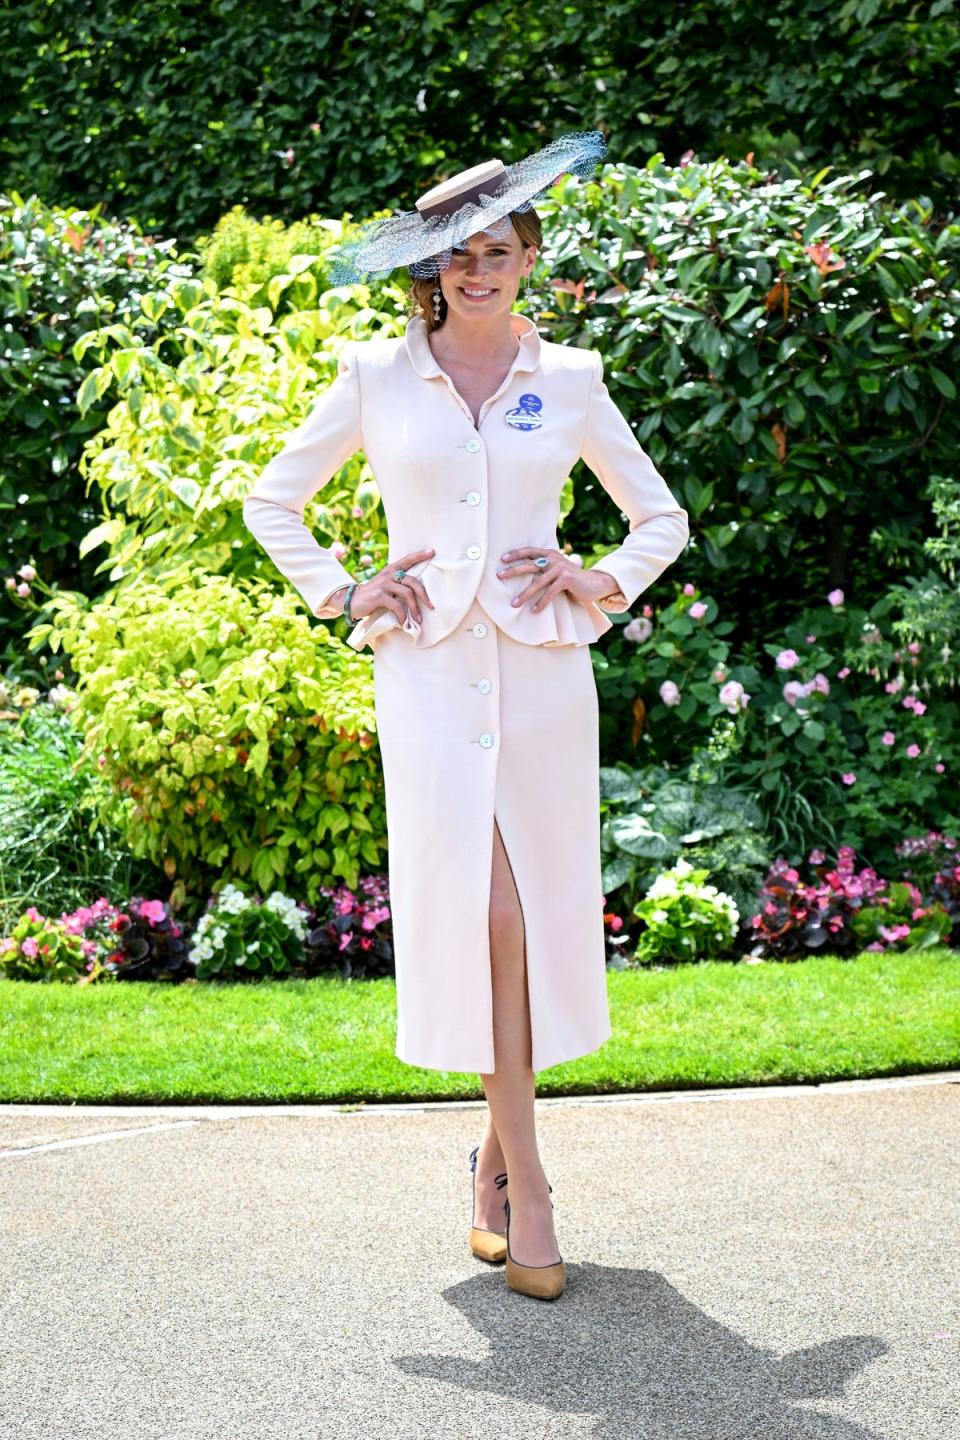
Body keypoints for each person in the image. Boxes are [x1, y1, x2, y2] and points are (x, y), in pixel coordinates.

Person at [243, 131, 690, 1301]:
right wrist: (345, 592)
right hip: (429, 683)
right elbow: (271, 500)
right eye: (458, 254)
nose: (478, 269)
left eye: (499, 248)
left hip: (543, 681)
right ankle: (532, 1187)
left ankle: (492, 1161)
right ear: (431, 272)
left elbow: (662, 522)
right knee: (487, 913)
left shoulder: (574, 382)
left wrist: (596, 582)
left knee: (532, 924)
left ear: (530, 257)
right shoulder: (374, 377)